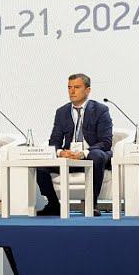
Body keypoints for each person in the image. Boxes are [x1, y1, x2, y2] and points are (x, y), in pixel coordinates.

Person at [37, 73, 111, 216]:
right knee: (41, 164)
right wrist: (61, 152)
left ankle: (92, 203)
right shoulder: (62, 112)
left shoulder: (101, 110)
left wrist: (83, 153)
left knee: (97, 155)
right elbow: (54, 141)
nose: (72, 91)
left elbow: (106, 142)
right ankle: (53, 204)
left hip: (91, 155)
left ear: (88, 90)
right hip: (69, 156)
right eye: (69, 87)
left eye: (76, 87)